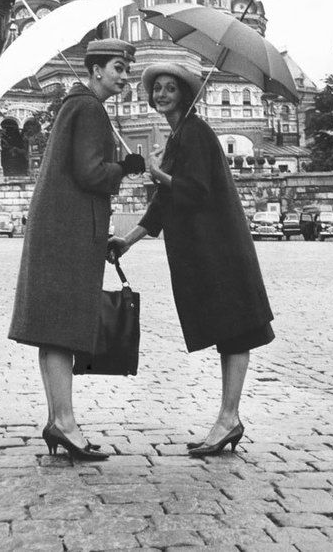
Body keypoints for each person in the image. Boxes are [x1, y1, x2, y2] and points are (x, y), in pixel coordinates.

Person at [108, 62, 274, 457]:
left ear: (184, 93)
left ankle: (229, 418)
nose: (162, 94)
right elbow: (164, 205)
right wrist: (128, 240)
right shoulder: (180, 135)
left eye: (170, 88)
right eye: (158, 89)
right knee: (227, 329)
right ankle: (226, 417)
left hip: (219, 247)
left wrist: (157, 172)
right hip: (205, 249)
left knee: (235, 329)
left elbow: (195, 191)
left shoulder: (195, 133)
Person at [8, 39, 145, 461]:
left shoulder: (75, 105)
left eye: (126, 69)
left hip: (58, 229)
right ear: (97, 69)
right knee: (62, 327)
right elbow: (89, 174)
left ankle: (59, 421)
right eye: (119, 68)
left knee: (52, 329)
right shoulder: (89, 108)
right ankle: (64, 423)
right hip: (69, 234)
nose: (125, 77)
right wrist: (125, 167)